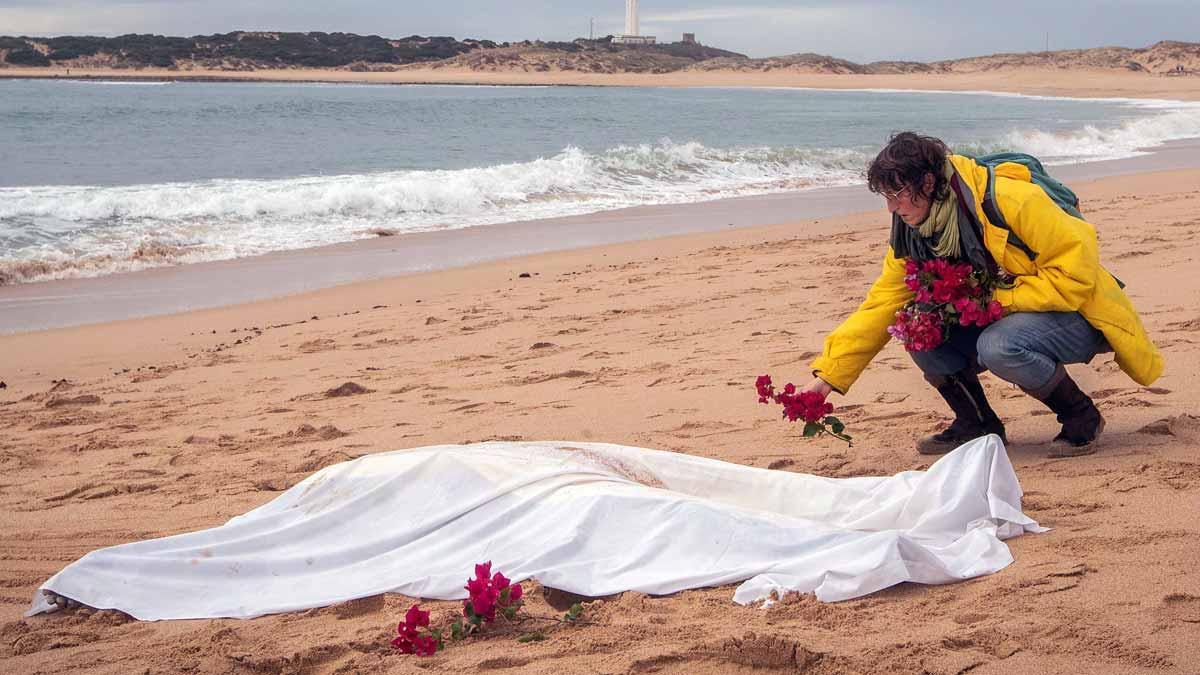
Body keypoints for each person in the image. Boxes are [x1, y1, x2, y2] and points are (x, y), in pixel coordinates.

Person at [800, 132, 1163, 457]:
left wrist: (991, 301)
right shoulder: (913, 231)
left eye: (896, 194)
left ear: (927, 182)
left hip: (1078, 314)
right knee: (918, 331)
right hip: (1005, 313)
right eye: (885, 197)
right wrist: (827, 379)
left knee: (998, 345)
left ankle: (1081, 416)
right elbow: (882, 304)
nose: (891, 208)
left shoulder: (1010, 198)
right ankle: (977, 424)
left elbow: (1075, 278)